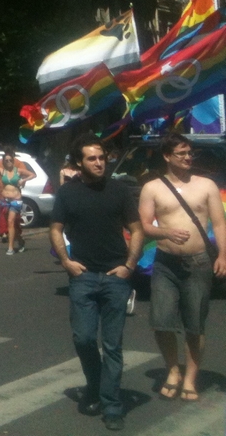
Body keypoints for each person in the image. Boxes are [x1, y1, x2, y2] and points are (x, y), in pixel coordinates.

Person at [50, 133, 143, 431]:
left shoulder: (119, 191)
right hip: (83, 277)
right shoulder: (68, 194)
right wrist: (66, 261)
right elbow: (55, 228)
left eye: (102, 157)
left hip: (116, 277)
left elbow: (137, 230)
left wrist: (129, 265)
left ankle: (112, 405)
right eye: (92, 158)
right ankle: (96, 383)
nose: (100, 162)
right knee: (84, 338)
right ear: (80, 163)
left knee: (113, 345)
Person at [137, 132, 226, 402]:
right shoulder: (152, 187)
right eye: (182, 153)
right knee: (161, 321)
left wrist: (223, 253)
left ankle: (190, 378)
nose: (188, 158)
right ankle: (173, 370)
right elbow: (144, 225)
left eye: (190, 153)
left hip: (198, 262)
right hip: (165, 263)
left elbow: (219, 223)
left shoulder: (206, 185)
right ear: (167, 156)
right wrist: (165, 232)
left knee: (194, 325)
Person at [0, 146, 36, 255]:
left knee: (10, 222)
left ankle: (10, 248)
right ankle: (20, 241)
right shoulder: (1, 171)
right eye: (6, 160)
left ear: (13, 160)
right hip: (4, 200)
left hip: (16, 200)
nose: (9, 162)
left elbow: (33, 174)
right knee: (11, 224)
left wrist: (23, 180)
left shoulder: (18, 171)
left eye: (10, 160)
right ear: (4, 162)